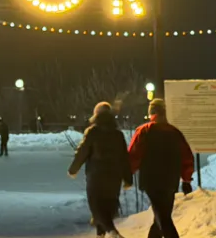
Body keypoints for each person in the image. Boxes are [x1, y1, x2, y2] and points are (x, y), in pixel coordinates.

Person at [128, 99, 193, 238]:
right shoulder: (175, 132)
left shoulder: (144, 131)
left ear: (151, 113)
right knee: (163, 215)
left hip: (151, 180)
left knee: (163, 219)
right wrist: (186, 180)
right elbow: (186, 157)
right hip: (171, 181)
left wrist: (128, 173)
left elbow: (134, 155)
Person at [68, 102, 133, 238]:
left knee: (97, 208)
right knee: (107, 208)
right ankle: (101, 235)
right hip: (114, 178)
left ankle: (112, 232)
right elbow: (124, 158)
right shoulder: (118, 134)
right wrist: (128, 178)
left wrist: (73, 169)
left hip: (96, 177)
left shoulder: (93, 132)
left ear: (96, 115)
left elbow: (83, 152)